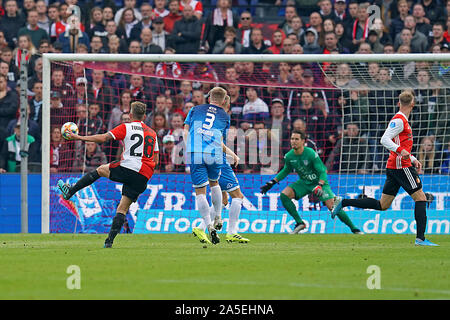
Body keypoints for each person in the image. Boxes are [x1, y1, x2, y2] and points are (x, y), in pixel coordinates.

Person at [332, 90, 438, 246]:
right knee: (421, 198)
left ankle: (343, 202)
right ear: (413, 104)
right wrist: (400, 151)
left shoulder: (402, 120)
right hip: (401, 167)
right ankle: (420, 238)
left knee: (383, 205)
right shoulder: (400, 120)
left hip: (395, 166)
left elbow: (400, 145)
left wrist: (413, 158)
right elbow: (384, 139)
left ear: (398, 102)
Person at [57, 101, 160, 248]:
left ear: (130, 115)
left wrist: (79, 138)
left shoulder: (126, 127)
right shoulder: (153, 133)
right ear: (144, 116)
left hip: (129, 167)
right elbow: (155, 160)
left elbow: (104, 138)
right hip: (144, 175)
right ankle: (109, 241)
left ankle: (70, 192)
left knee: (100, 170)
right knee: (122, 208)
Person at [260, 130, 362, 234]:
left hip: (319, 183)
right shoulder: (289, 156)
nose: (293, 141)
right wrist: (272, 182)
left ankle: (355, 229)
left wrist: (320, 185)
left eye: (296, 139)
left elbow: (322, 171)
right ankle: (300, 223)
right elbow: (286, 170)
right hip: (304, 183)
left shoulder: (310, 153)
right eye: (292, 139)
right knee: (284, 195)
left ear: (303, 141)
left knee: (333, 206)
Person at [184, 87, 239, 245]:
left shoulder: (195, 109)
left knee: (200, 192)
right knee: (214, 183)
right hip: (214, 153)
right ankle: (219, 217)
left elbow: (186, 130)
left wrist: (190, 147)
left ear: (209, 98)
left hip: (196, 152)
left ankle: (208, 225)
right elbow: (221, 140)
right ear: (223, 101)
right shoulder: (225, 116)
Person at [196, 95, 249, 243]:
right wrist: (232, 155)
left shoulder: (205, 116)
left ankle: (200, 228)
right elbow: (218, 142)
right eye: (228, 102)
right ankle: (231, 232)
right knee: (238, 196)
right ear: (224, 102)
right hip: (219, 160)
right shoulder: (221, 117)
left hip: (204, 157)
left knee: (224, 199)